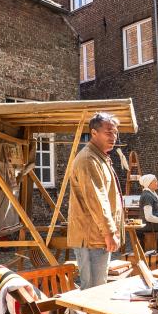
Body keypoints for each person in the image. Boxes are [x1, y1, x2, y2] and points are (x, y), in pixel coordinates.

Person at [67, 112, 122, 289]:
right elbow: (97, 200)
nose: (113, 137)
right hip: (91, 237)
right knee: (93, 290)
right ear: (94, 133)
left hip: (97, 236)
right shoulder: (88, 159)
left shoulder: (100, 157)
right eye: (108, 132)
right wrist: (109, 232)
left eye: (115, 132)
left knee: (98, 288)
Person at [138, 173, 158, 259]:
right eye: (155, 181)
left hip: (152, 223)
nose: (157, 183)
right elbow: (148, 217)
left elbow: (157, 212)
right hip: (148, 224)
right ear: (149, 183)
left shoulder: (151, 194)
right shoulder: (147, 196)